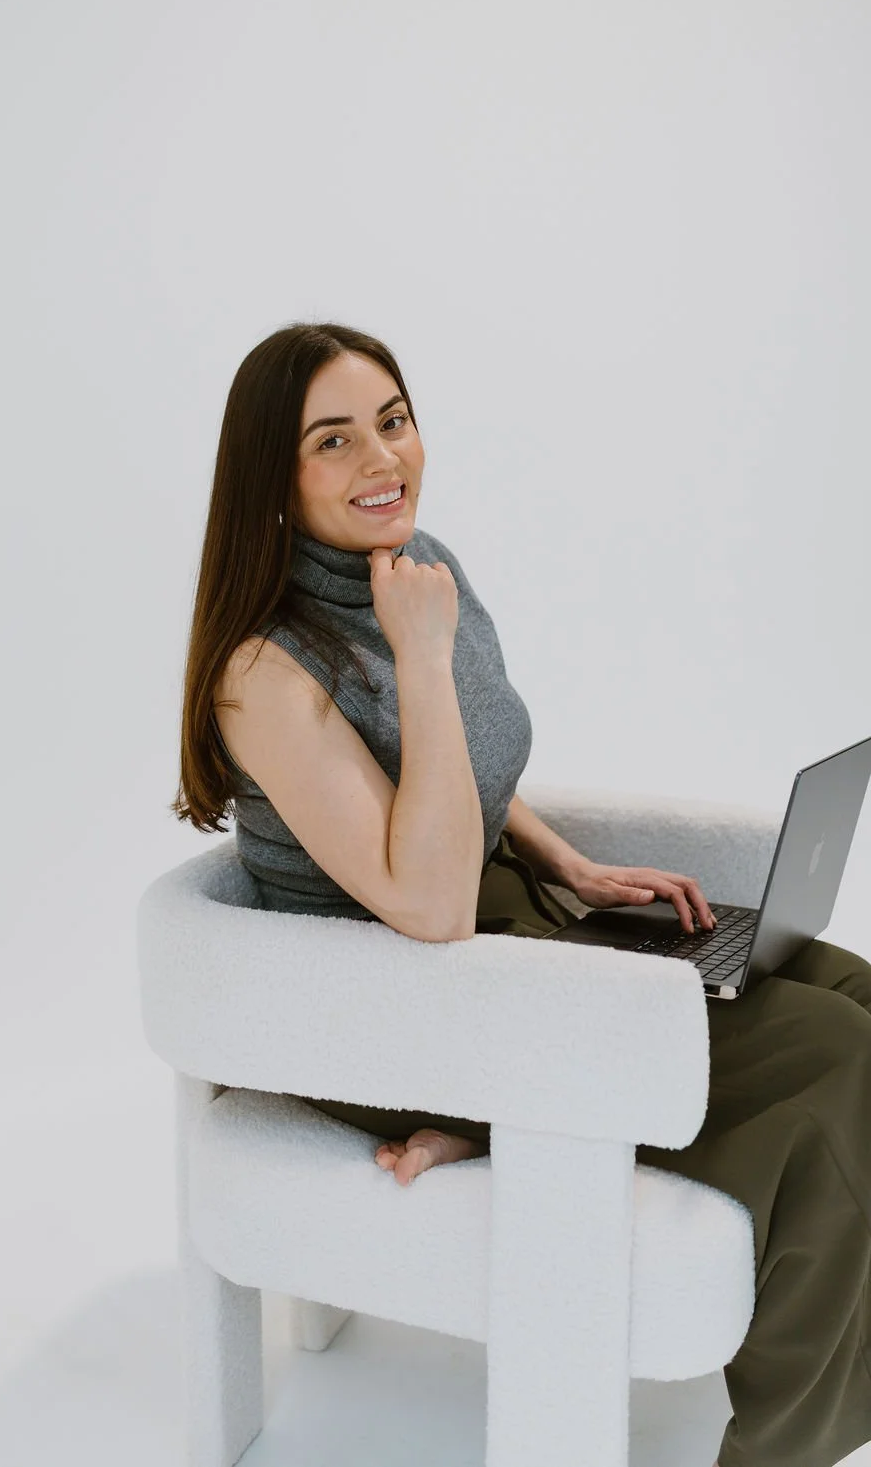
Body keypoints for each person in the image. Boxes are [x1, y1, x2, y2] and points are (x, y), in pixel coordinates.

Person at [171, 321, 871, 1467]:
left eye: (392, 421)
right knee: (829, 1061)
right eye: (333, 441)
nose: (381, 460)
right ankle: (790, 1446)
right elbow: (428, 900)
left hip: (498, 940)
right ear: (276, 481)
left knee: (851, 993)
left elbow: (458, 782)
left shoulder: (412, 571)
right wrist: (424, 657)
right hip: (393, 1003)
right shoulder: (266, 670)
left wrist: (562, 859)